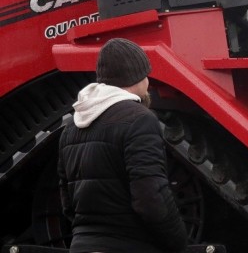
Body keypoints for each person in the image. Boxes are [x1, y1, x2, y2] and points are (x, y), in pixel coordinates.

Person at [57, 38, 188, 253]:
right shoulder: (140, 119)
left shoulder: (72, 126)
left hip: (82, 246)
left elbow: (67, 202)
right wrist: (179, 244)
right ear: (139, 76)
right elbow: (150, 196)